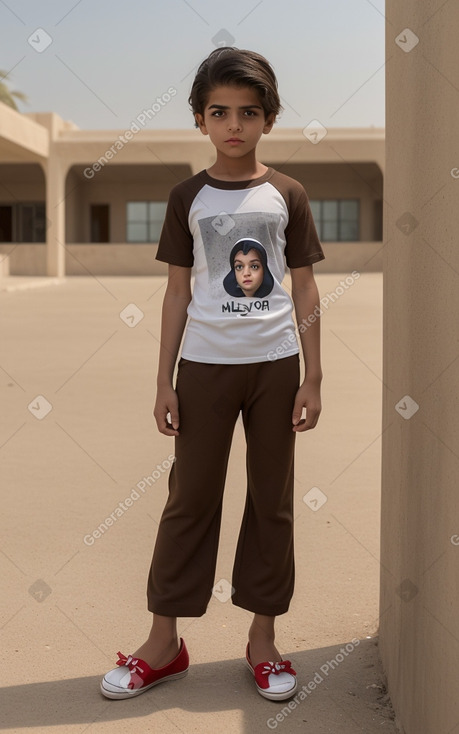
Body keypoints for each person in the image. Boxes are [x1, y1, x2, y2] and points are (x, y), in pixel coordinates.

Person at [101, 46, 325, 702]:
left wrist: (313, 377)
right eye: (219, 112)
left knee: (271, 500)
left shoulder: (287, 194)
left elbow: (306, 291)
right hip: (203, 368)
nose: (234, 124)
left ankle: (262, 639)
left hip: (276, 366)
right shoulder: (187, 197)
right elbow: (176, 293)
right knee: (188, 497)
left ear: (268, 119)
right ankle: (163, 642)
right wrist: (164, 378)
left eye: (248, 112)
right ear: (200, 119)